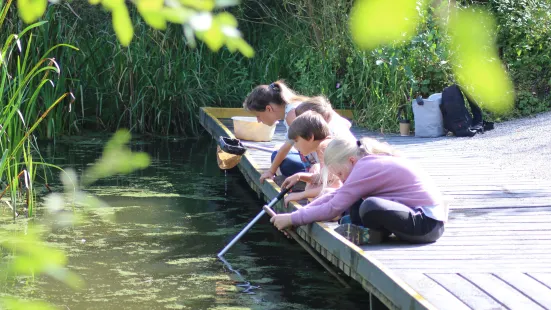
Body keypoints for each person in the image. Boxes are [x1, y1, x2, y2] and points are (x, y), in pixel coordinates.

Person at [270, 137, 448, 245]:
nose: (341, 180)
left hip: (427, 224)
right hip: (418, 218)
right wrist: (303, 212)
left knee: (369, 206)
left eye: (340, 173)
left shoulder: (365, 167)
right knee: (356, 206)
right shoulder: (366, 162)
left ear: (351, 160)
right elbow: (336, 195)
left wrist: (293, 219)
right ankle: (369, 231)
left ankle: (374, 234)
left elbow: (334, 207)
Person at [243, 80, 310, 182]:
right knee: (277, 156)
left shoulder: (292, 116)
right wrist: (271, 171)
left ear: (269, 109)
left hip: (331, 161)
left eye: (258, 116)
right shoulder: (291, 108)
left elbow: (318, 147)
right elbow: (287, 145)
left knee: (287, 164)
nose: (258, 120)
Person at [280, 111, 343, 207]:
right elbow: (325, 179)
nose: (295, 146)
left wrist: (301, 195)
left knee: (322, 196)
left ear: (310, 137)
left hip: (356, 196)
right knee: (315, 169)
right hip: (345, 190)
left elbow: (336, 186)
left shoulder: (324, 147)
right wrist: (300, 176)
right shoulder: (322, 147)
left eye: (296, 141)